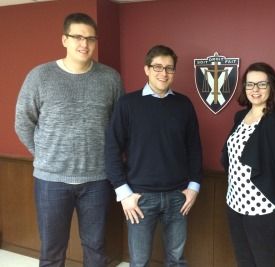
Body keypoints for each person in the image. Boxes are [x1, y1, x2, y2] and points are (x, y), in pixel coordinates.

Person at [15, 13, 124, 267]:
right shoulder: (40, 76)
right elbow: (22, 122)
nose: (84, 43)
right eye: (77, 37)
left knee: (96, 249)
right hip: (50, 181)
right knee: (52, 252)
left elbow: (119, 127)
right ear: (64, 39)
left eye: (90, 38)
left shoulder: (111, 79)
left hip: (98, 179)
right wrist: (42, 154)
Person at [105, 45, 202, 267]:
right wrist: (124, 194)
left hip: (178, 197)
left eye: (169, 68)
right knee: (139, 262)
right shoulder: (127, 104)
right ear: (146, 69)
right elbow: (111, 150)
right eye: (158, 67)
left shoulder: (184, 104)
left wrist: (194, 187)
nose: (164, 73)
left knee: (176, 260)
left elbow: (195, 148)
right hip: (140, 198)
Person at [221, 62, 275, 267]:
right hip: (234, 202)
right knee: (244, 260)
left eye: (261, 84)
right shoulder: (240, 116)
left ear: (271, 87)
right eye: (250, 84)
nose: (255, 90)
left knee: (263, 261)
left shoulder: (274, 123)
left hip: (261, 206)